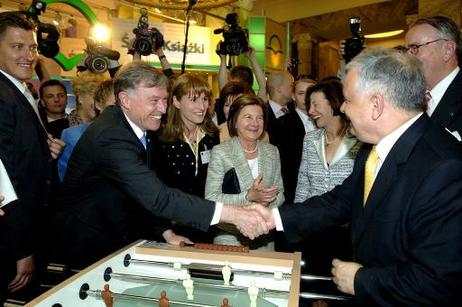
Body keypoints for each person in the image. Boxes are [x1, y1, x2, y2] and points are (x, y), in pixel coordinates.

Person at [250, 48, 462, 305]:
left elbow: (437, 282)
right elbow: (341, 200)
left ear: (376, 105)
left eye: (348, 99)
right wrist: (274, 218)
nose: (343, 108)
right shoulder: (373, 148)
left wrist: (361, 279)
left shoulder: (445, 167)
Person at [52, 61, 268, 269]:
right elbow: (157, 196)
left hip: (118, 237)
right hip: (91, 245)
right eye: (154, 101)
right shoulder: (111, 136)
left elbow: (143, 193)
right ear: (125, 100)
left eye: (164, 100)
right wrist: (234, 214)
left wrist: (166, 233)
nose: (163, 109)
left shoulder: (138, 127)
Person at [0, 11, 64, 301]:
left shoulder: (17, 90)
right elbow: (5, 178)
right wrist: (21, 248)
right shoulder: (2, 95)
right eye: (17, 47)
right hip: (12, 240)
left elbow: (19, 156)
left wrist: (45, 148)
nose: (29, 55)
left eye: (33, 47)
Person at [205, 94, 284, 250]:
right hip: (230, 238)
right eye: (248, 117)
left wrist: (264, 203)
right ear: (234, 122)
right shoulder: (221, 152)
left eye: (260, 118)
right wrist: (248, 197)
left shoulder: (272, 151)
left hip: (265, 238)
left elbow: (280, 193)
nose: (255, 123)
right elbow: (211, 198)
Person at [151, 73, 219, 242]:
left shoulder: (211, 136)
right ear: (176, 102)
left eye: (204, 99)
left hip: (205, 225)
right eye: (194, 99)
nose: (202, 106)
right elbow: (153, 191)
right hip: (170, 229)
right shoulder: (160, 138)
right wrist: (166, 232)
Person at [404, 15, 462, 139]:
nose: (407, 57)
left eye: (415, 48)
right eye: (407, 50)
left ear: (448, 50)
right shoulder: (407, 99)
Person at [57, 79, 114, 181]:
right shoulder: (68, 133)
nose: (98, 101)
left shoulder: (113, 130)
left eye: (103, 97)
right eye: (96, 95)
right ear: (80, 98)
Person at [278, 78, 317, 203]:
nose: (306, 98)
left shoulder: (325, 122)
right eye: (301, 93)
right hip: (294, 192)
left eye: (310, 93)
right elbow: (284, 166)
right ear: (293, 96)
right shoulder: (283, 124)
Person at [265, 71, 294, 145]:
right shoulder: (263, 113)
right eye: (291, 85)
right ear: (279, 89)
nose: (294, 89)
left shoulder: (295, 110)